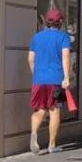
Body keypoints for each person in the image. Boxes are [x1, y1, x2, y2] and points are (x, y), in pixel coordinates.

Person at [28, 8, 72, 154]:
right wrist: (66, 77)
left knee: (40, 109)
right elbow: (66, 56)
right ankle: (51, 145)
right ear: (60, 22)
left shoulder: (37, 37)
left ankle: (34, 133)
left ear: (47, 22)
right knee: (54, 111)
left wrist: (37, 74)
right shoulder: (63, 37)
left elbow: (31, 59)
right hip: (56, 80)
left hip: (39, 80)